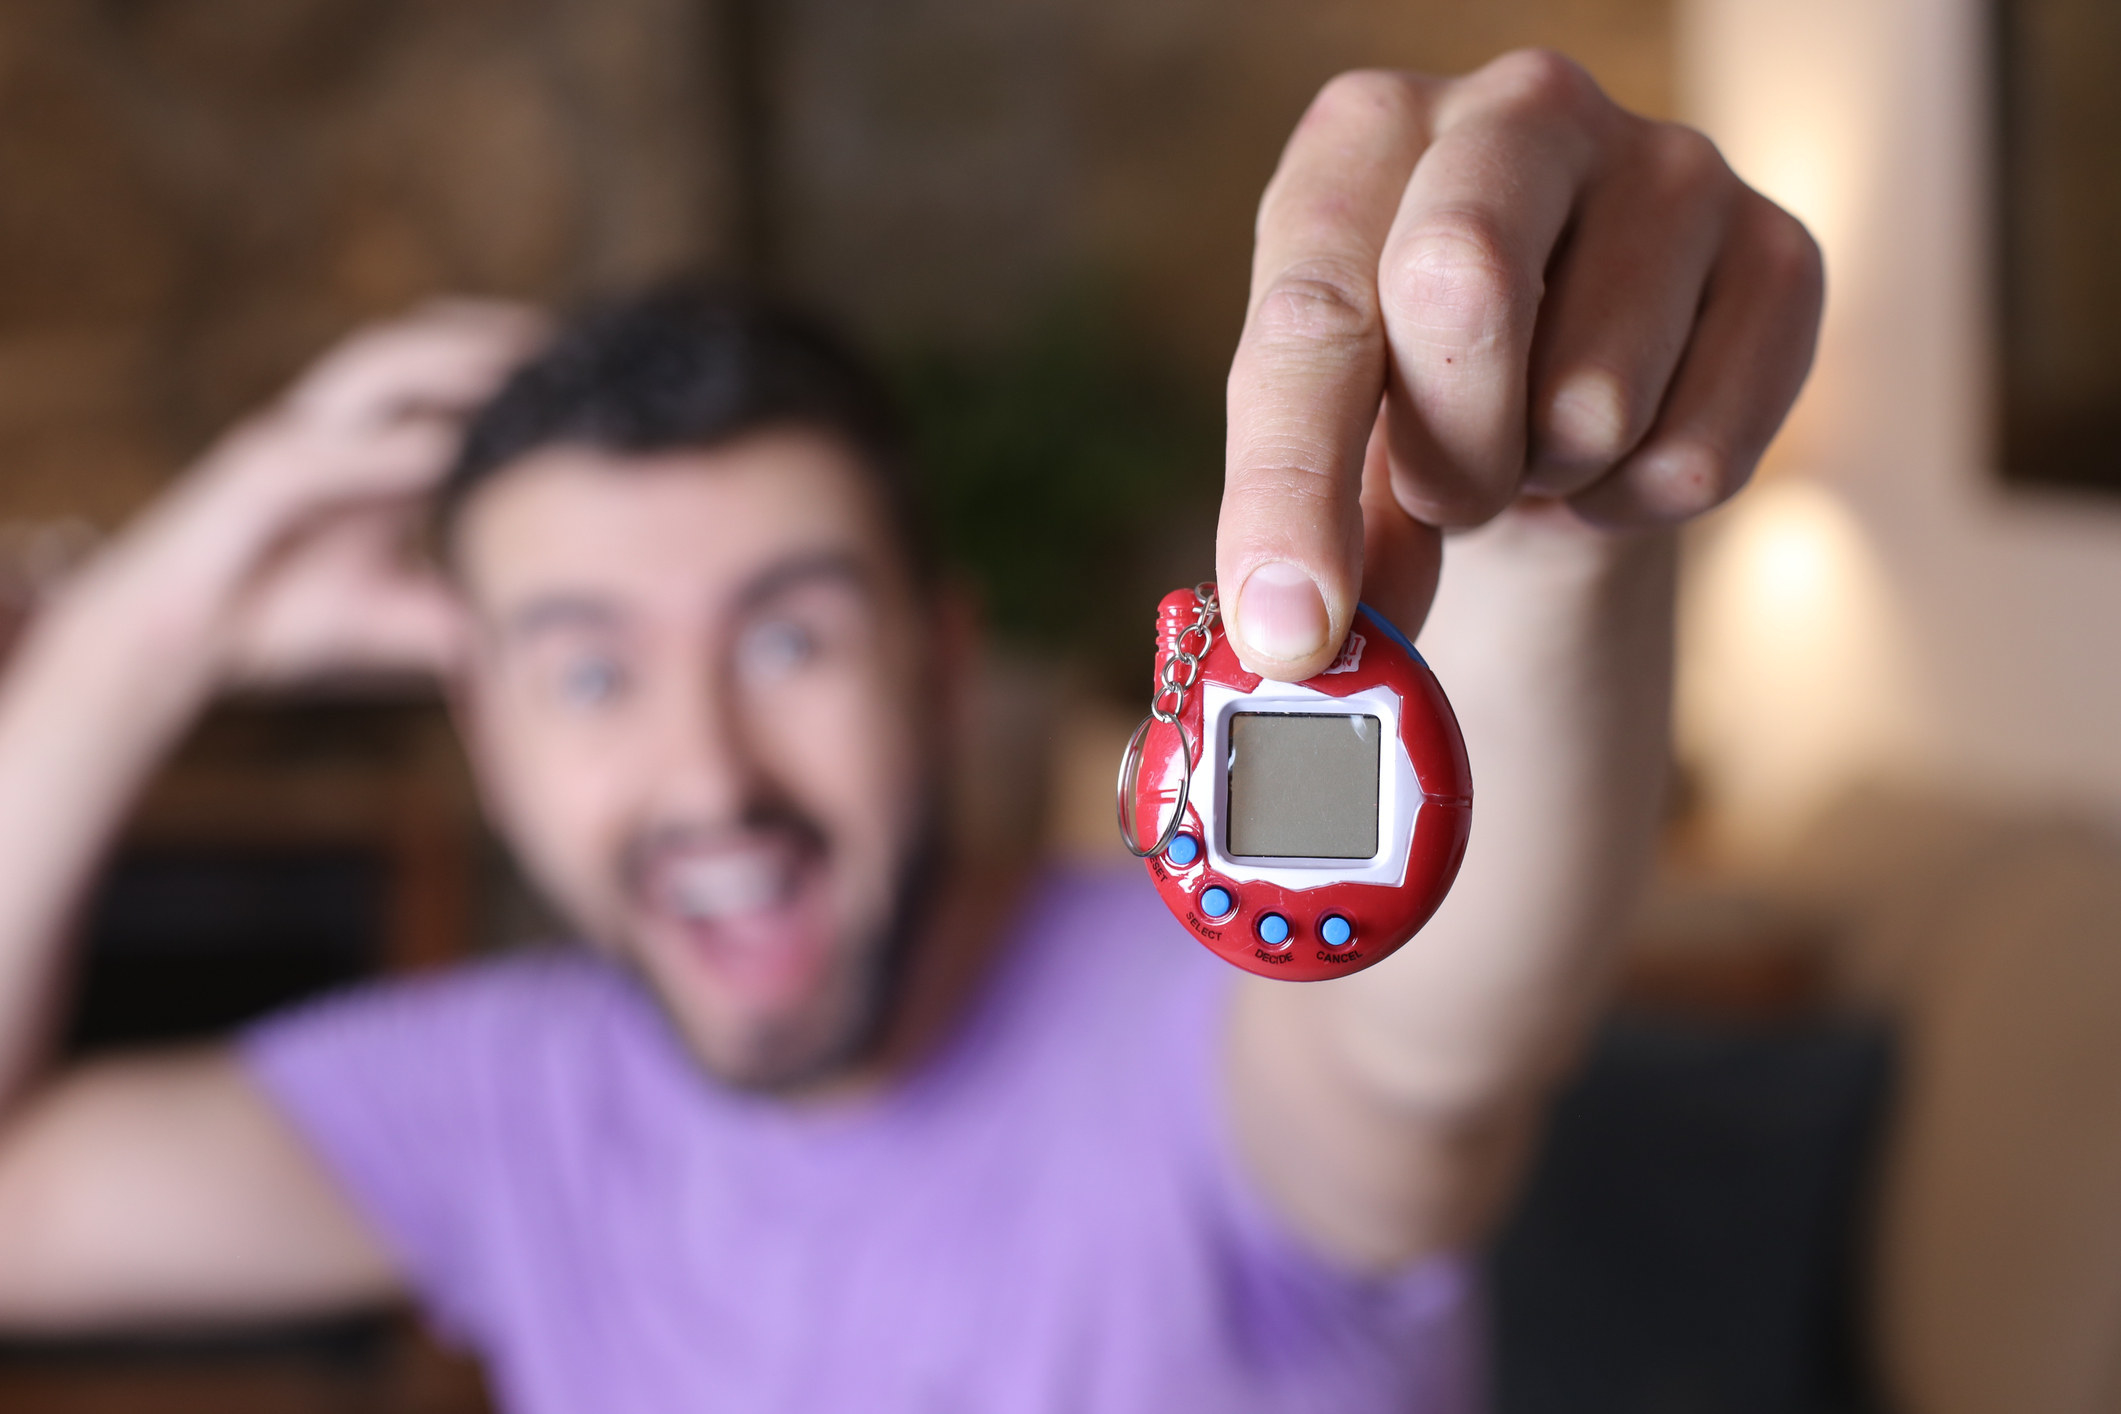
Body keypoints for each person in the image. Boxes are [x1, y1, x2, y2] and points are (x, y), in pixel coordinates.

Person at [0, 53, 1819, 1413]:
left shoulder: (1189, 1017)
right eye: (584, 669)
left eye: (788, 632)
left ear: (946, 662)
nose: (708, 775)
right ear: (476, 727)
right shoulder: (500, 1108)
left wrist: (1545, 524)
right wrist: (128, 642)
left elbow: (1436, 1046)